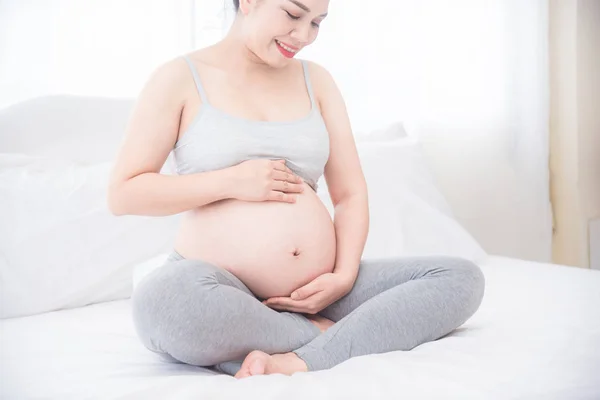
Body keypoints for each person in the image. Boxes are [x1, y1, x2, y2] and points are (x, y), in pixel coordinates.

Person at [107, 0, 485, 379]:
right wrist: (232, 181)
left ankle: (291, 357)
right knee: (164, 302)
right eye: (292, 14)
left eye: (317, 23)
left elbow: (350, 194)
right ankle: (324, 337)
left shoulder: (316, 80)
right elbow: (125, 193)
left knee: (459, 278)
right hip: (217, 286)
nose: (303, 36)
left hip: (317, 291)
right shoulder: (179, 78)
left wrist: (342, 276)